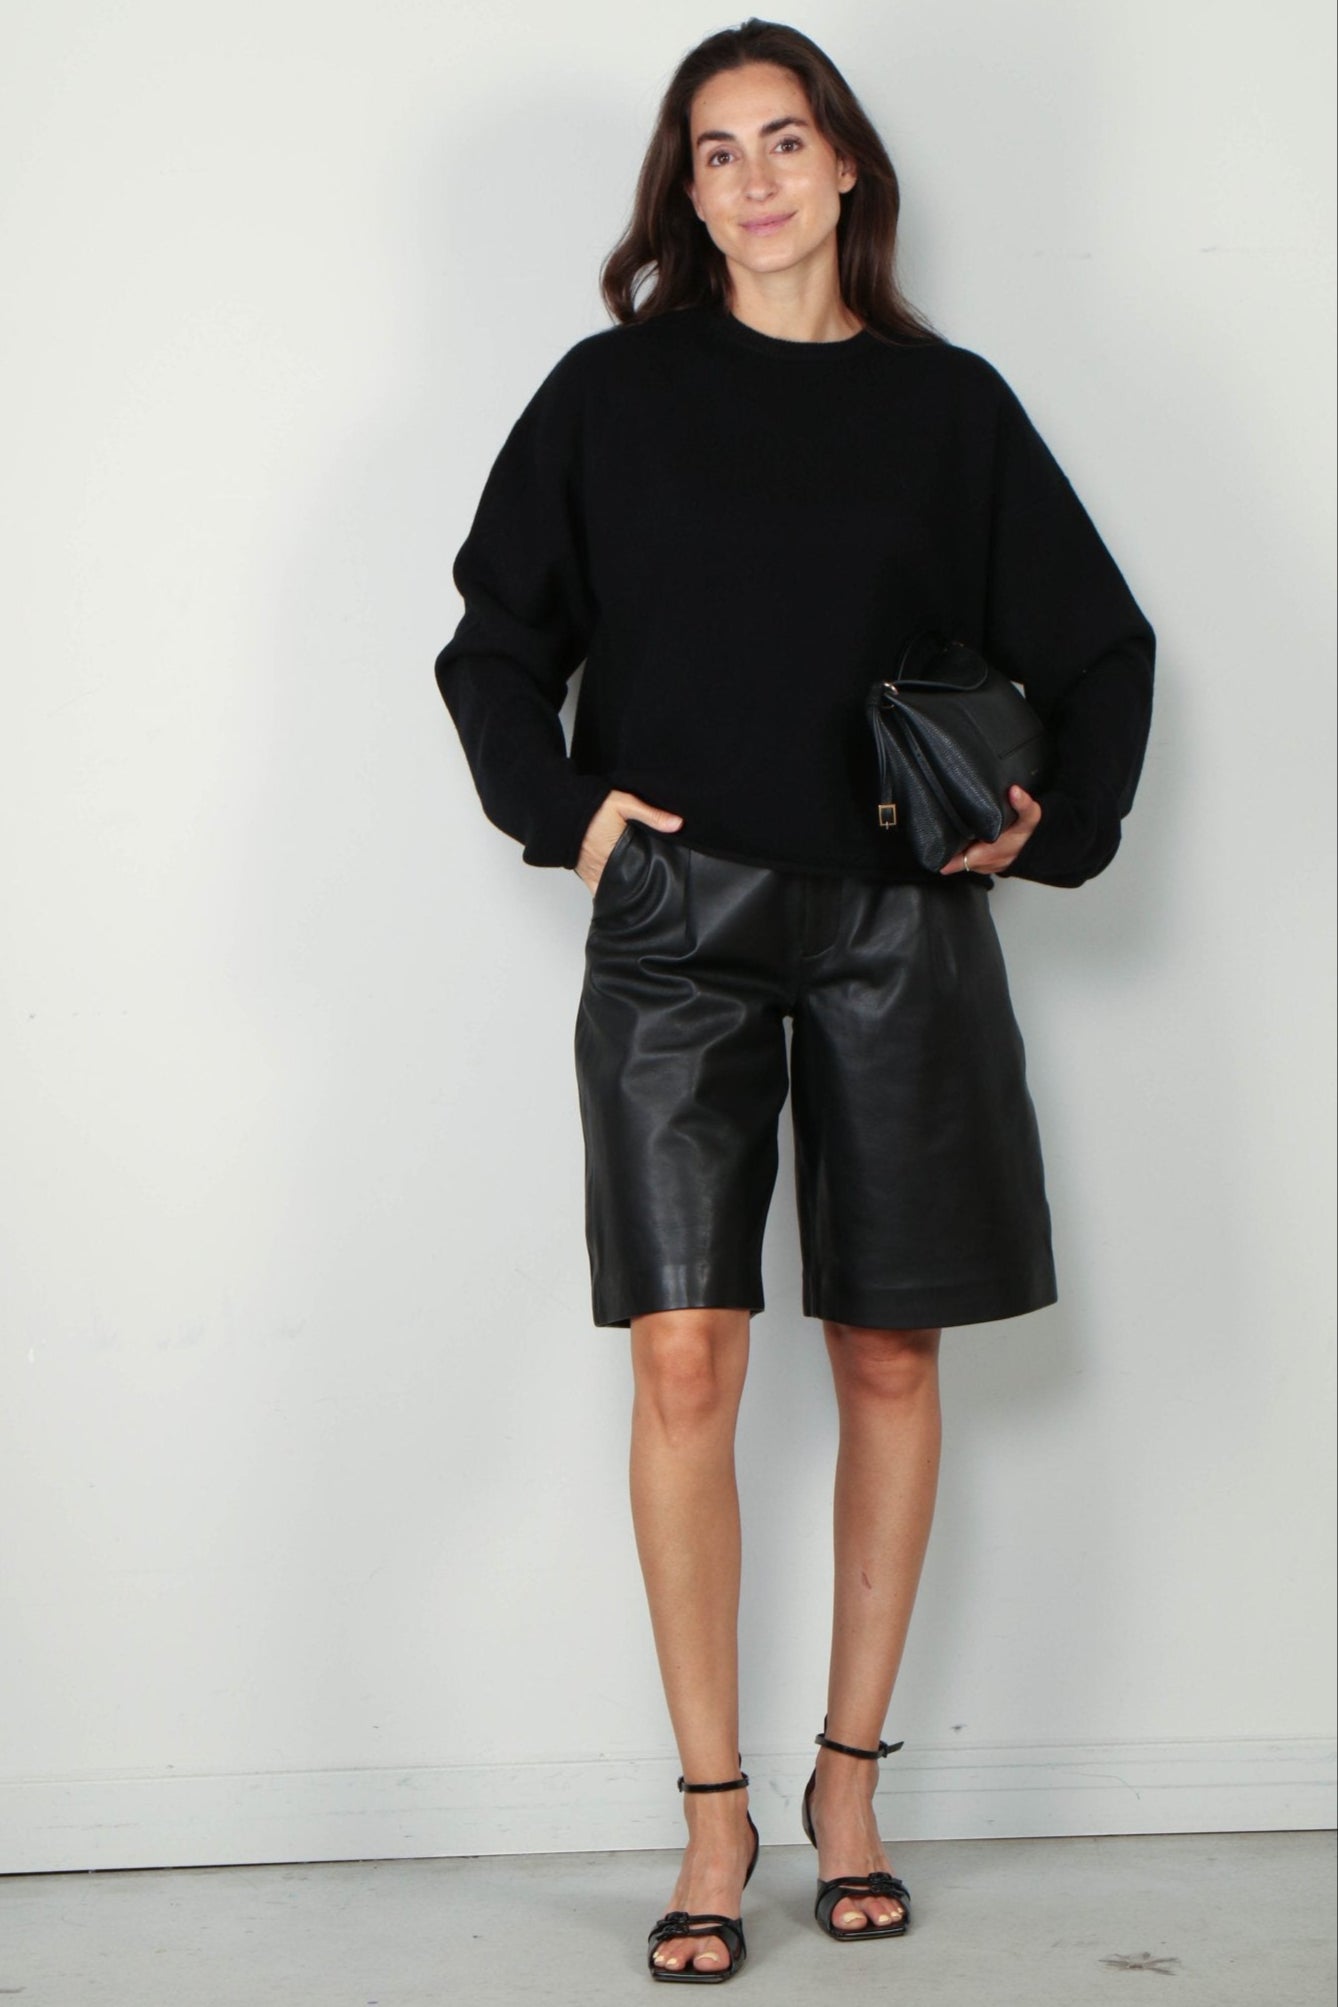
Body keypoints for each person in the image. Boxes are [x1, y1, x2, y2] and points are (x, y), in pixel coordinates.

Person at [432, 19, 1155, 1985]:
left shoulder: (949, 410)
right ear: (686, 189)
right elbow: (493, 645)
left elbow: (1101, 646)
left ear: (846, 166)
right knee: (684, 1357)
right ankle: (710, 1809)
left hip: (898, 926)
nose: (749, 179)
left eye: (782, 139)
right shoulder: (611, 393)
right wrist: (573, 821)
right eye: (713, 149)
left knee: (889, 1357)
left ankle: (847, 1781)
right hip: (676, 923)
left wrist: (1054, 827)